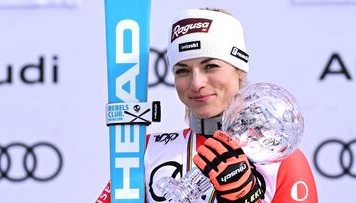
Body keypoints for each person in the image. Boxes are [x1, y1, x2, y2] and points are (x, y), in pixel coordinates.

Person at [96, 8, 318, 203]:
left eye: (210, 66)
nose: (196, 83)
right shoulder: (144, 151)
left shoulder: (279, 159)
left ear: (240, 69)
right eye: (182, 70)